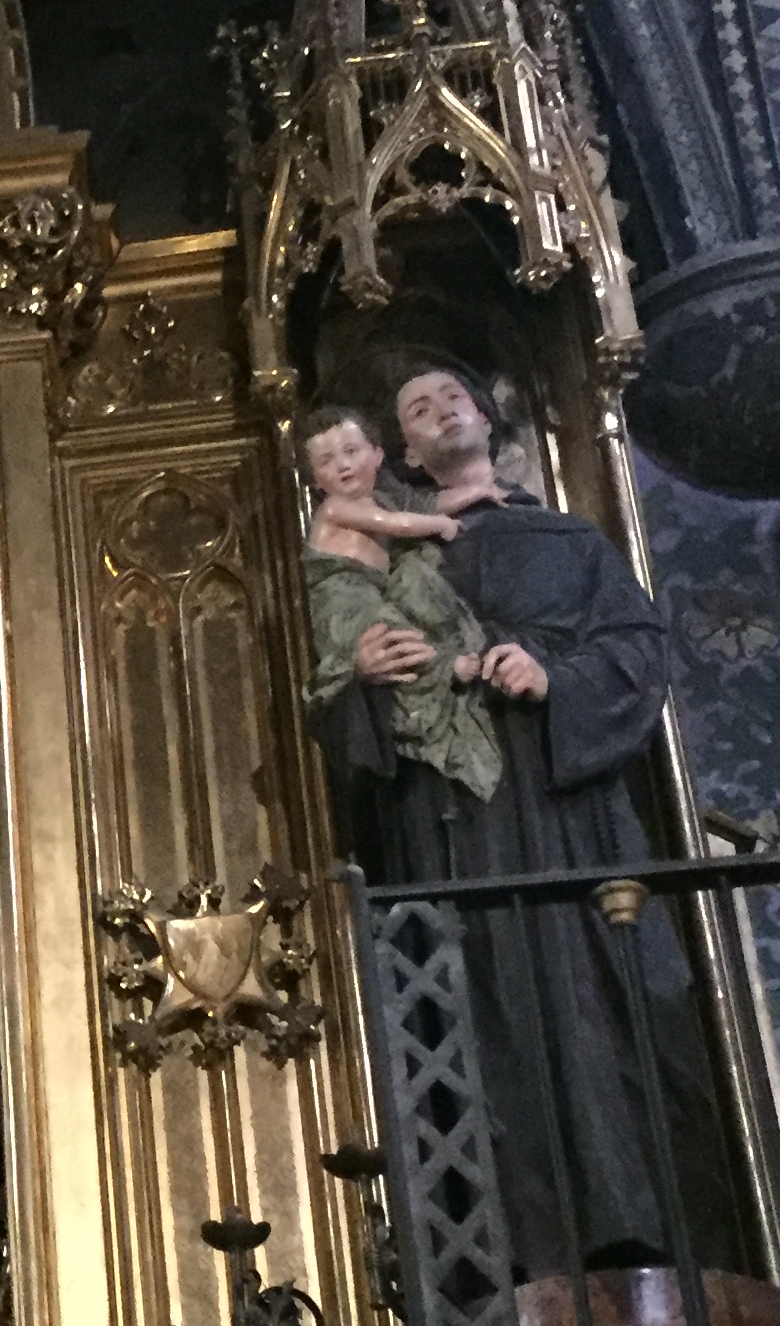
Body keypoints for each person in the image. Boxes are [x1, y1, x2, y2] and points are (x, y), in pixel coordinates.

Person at [310, 362, 724, 1277]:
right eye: (417, 407)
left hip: (568, 815)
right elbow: (335, 709)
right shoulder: (386, 554)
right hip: (455, 828)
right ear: (398, 452)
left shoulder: (566, 540)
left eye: (452, 395)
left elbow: (636, 652)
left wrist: (555, 678)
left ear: (489, 418)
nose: (440, 409)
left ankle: (642, 1248)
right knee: (477, 1023)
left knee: (606, 1013)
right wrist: (366, 681)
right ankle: (508, 1268)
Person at [299, 402, 500, 806]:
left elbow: (426, 505)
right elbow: (402, 525)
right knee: (389, 636)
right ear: (316, 479)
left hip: (372, 591)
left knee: (405, 629)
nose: (342, 465)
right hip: (344, 597)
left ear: (377, 456)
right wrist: (440, 526)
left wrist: (477, 492)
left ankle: (442, 674)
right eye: (326, 460)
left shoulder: (382, 503)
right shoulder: (336, 509)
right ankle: (446, 669)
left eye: (352, 451)